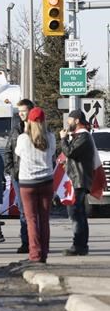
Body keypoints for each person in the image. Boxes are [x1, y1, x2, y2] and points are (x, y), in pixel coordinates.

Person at [14, 107, 55, 263]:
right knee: (44, 219)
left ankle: (34, 254)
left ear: (29, 122)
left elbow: (18, 152)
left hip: (27, 182)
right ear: (44, 121)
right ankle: (44, 253)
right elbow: (51, 153)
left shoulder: (23, 138)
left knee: (31, 220)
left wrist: (26, 130)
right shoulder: (50, 137)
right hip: (46, 181)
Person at [60, 109, 95, 256]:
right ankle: (80, 244)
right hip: (75, 178)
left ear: (76, 120)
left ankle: (79, 245)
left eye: (69, 120)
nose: (67, 123)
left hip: (79, 180)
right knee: (77, 213)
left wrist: (63, 139)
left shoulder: (84, 137)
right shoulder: (79, 136)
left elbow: (70, 152)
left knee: (76, 213)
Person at [4, 99, 34, 254]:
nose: (21, 114)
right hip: (19, 176)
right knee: (23, 210)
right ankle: (25, 242)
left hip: (36, 176)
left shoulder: (40, 129)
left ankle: (37, 242)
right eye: (19, 111)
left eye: (24, 110)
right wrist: (12, 171)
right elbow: (8, 151)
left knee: (34, 210)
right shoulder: (16, 130)